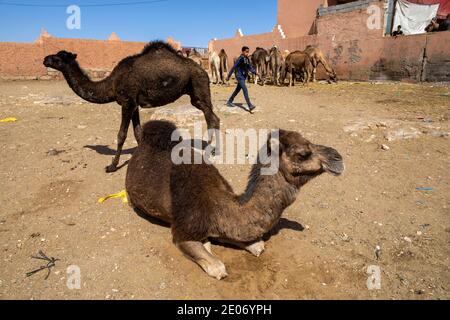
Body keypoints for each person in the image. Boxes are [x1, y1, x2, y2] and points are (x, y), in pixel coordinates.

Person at [226, 46, 259, 112]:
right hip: (239, 76)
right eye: (246, 52)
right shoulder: (240, 58)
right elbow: (234, 67)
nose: (247, 53)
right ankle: (250, 105)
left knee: (237, 90)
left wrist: (256, 73)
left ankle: (229, 101)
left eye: (248, 52)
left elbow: (250, 67)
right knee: (245, 89)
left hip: (243, 77)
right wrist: (229, 76)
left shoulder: (247, 59)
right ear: (243, 51)